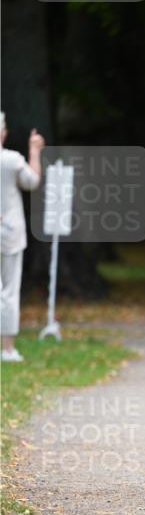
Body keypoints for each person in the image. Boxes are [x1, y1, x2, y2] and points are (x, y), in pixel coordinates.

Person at [1, 113, 45, 363]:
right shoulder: (11, 160)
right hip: (10, 232)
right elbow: (32, 181)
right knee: (8, 290)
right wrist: (34, 150)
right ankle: (7, 348)